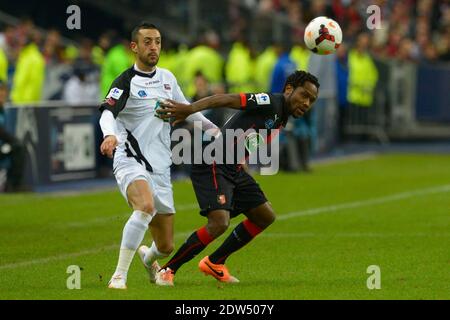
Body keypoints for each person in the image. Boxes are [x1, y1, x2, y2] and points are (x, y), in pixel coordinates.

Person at [154, 70, 320, 285]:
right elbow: (226, 99)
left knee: (264, 216)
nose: (307, 103)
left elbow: (249, 136)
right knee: (219, 223)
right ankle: (167, 270)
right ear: (289, 89)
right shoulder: (270, 101)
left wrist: (243, 159)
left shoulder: (283, 115)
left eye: (311, 100)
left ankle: (215, 262)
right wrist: (189, 109)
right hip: (212, 162)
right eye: (304, 95)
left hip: (233, 167)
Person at [98, 22, 218, 289]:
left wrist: (214, 130)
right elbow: (107, 112)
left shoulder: (167, 78)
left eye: (158, 42)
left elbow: (187, 109)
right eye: (148, 42)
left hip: (161, 166)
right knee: (145, 207)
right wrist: (109, 135)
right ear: (134, 47)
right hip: (130, 158)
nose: (154, 47)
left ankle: (148, 257)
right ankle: (119, 276)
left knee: (165, 246)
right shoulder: (125, 81)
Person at [0, 81, 26, 192]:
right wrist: (12, 140)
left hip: (2, 149)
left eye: (3, 91)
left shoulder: (2, 110)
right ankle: (12, 186)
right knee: (16, 146)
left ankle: (13, 185)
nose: (2, 94)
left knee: (17, 147)